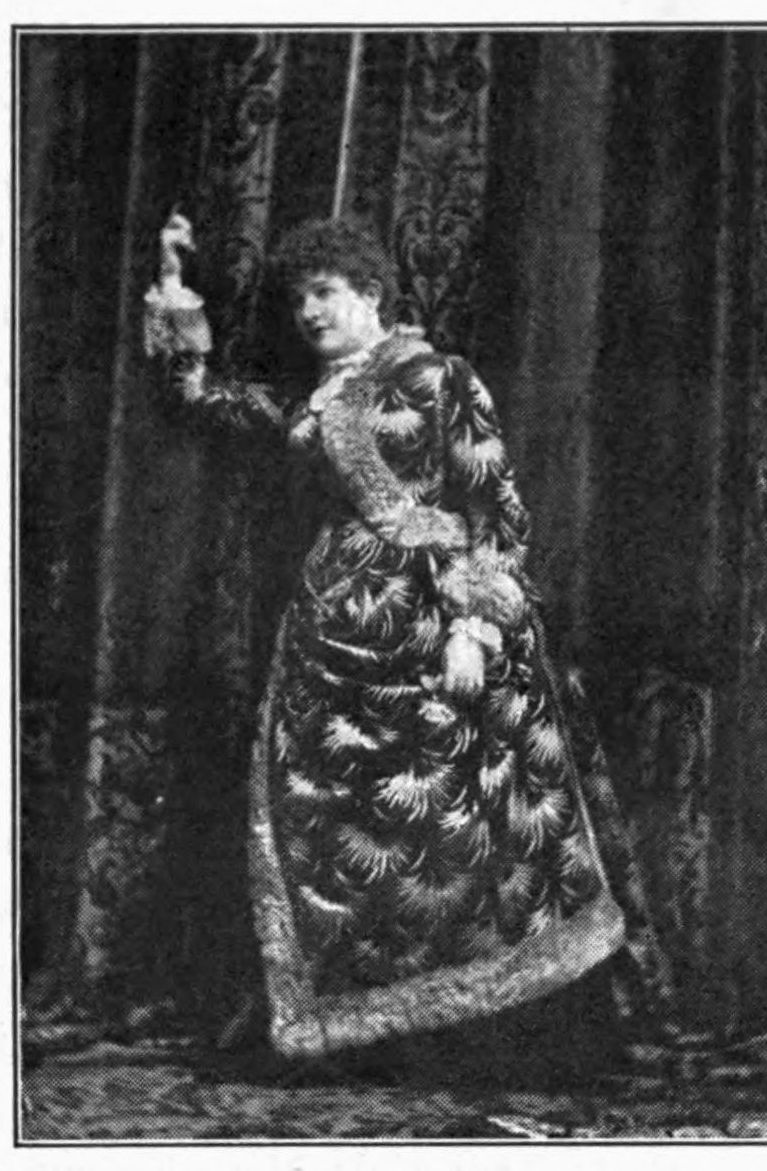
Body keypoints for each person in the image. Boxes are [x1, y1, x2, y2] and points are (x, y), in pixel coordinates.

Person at [145, 212, 668, 1068]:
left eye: (326, 292)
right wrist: (174, 287)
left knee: (465, 828)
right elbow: (202, 401)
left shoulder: (438, 377)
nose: (310, 312)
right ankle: (371, 1030)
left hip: (441, 628)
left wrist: (473, 630)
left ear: (371, 292)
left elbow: (496, 511)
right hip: (333, 644)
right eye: (299, 299)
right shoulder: (312, 400)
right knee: (350, 835)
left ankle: (495, 1032)